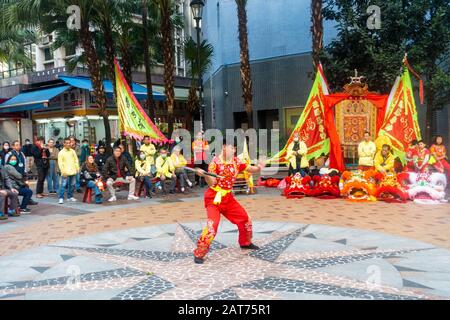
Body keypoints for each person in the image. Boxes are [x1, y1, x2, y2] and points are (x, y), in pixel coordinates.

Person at [192, 140, 266, 264]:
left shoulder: (236, 162)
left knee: (245, 219)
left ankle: (245, 243)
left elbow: (250, 169)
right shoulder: (214, 163)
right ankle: (199, 253)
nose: (234, 150)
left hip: (228, 198)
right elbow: (212, 183)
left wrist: (259, 166)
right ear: (224, 147)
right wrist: (205, 175)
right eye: (232, 148)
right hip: (214, 199)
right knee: (212, 227)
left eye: (235, 148)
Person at [58, 137, 80, 204]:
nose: (68, 144)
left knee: (72, 185)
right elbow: (60, 163)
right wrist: (63, 171)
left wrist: (77, 168)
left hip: (73, 171)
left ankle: (70, 197)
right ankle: (61, 198)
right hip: (65, 172)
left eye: (69, 143)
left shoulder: (72, 151)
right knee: (63, 185)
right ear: (64, 144)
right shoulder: (61, 152)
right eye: (66, 143)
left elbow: (76, 160)